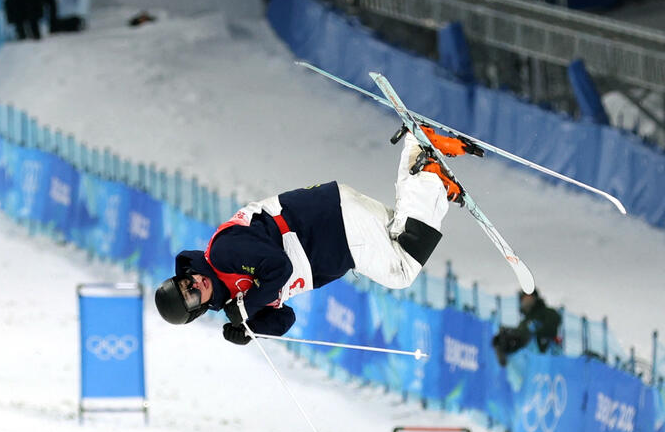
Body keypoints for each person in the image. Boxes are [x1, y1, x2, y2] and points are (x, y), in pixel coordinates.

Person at [155, 127, 480, 344]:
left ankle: (428, 173)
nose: (195, 285)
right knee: (401, 233)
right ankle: (420, 152)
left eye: (186, 282)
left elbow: (278, 267)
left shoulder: (222, 253)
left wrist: (245, 307)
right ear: (197, 310)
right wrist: (250, 328)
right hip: (335, 226)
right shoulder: (232, 298)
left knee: (401, 270)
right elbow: (285, 318)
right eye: (191, 296)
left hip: (332, 228)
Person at [491, 289, 562, 366]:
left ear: (535, 297)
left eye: (529, 297)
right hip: (528, 359)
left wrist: (532, 335)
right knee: (503, 338)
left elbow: (551, 328)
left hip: (546, 354)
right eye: (524, 298)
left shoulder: (548, 312)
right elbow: (521, 335)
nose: (526, 301)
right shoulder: (524, 321)